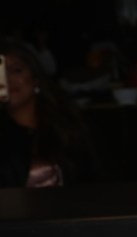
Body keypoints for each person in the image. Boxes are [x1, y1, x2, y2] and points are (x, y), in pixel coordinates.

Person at [0, 40, 97, 188]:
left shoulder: (68, 127)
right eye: (0, 74)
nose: (7, 79)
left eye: (16, 70)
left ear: (35, 79)